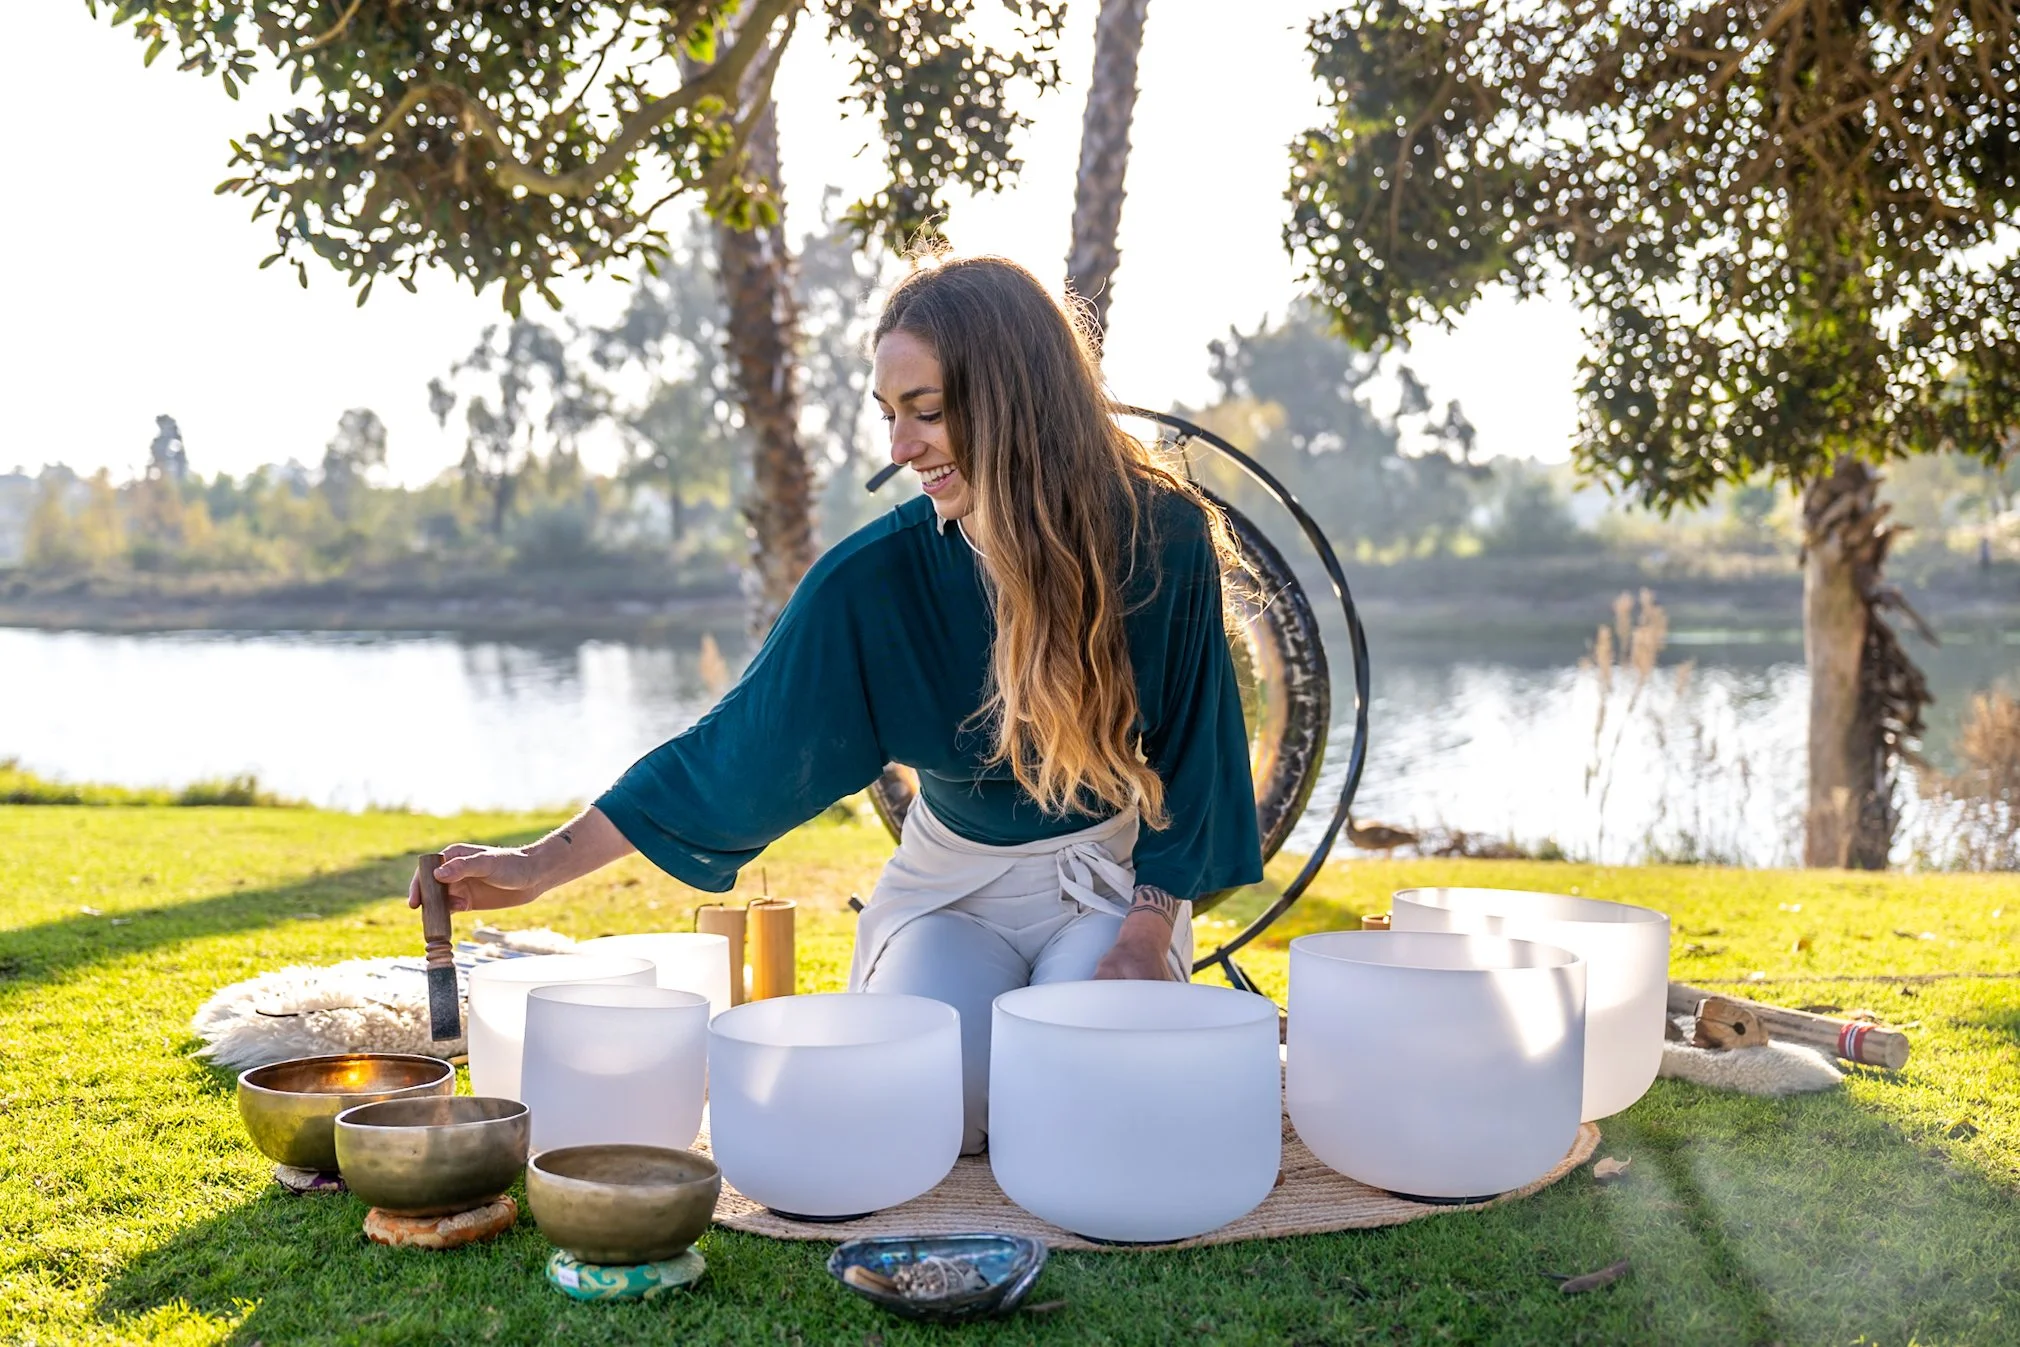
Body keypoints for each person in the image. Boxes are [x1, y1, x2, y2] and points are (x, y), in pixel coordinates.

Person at [412, 255, 1262, 1153]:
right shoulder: (874, 581)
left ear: (1018, 399)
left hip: (1110, 885)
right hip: (950, 894)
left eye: (927, 411)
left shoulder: (1158, 538)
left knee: (1074, 1102)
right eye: (891, 415)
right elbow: (736, 748)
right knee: (935, 1109)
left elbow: (1196, 758)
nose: (900, 448)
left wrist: (1146, 928)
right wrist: (536, 866)